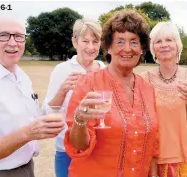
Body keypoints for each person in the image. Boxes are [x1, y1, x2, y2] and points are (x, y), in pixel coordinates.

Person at [0, 16, 65, 177]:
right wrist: (28, 133)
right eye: (3, 35)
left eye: (19, 36)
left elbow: (30, 119)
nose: (13, 43)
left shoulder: (21, 77)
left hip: (26, 168)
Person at [64, 10, 159, 177]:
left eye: (134, 42)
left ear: (142, 49)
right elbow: (79, 146)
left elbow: (153, 143)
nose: (127, 49)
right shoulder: (89, 83)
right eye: (120, 41)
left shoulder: (148, 89)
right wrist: (80, 120)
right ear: (108, 47)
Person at [42, 18, 106, 177]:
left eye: (95, 41)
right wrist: (63, 90)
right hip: (67, 151)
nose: (91, 47)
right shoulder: (61, 70)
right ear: (75, 42)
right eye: (85, 41)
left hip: (100, 150)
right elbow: (47, 113)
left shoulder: (105, 70)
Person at [141, 21, 187, 177]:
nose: (164, 45)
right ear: (153, 48)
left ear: (177, 45)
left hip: (182, 158)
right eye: (158, 41)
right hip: (152, 159)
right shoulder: (143, 79)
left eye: (169, 40)